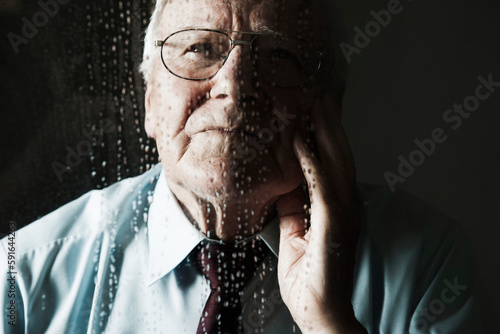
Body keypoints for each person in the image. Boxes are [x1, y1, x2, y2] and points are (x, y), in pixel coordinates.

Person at [0, 0, 491, 333]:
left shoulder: (429, 265)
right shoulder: (21, 280)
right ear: (150, 101)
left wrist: (330, 321)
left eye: (279, 56)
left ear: (328, 106)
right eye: (198, 49)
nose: (234, 88)